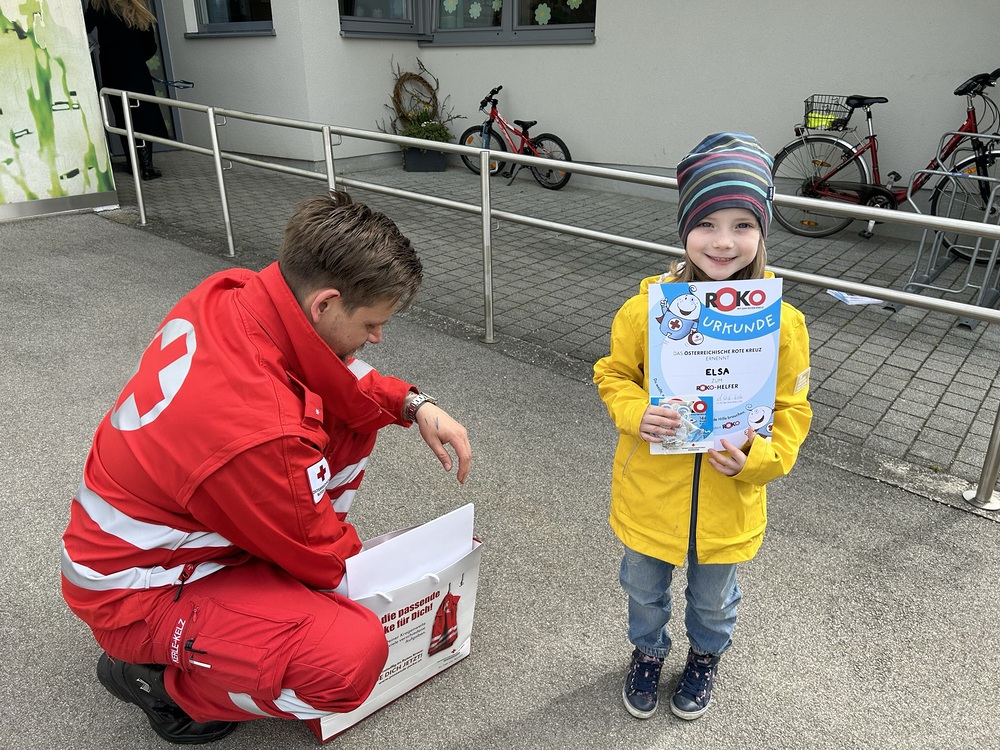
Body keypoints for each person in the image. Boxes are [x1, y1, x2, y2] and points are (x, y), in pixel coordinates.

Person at [60, 191, 472, 744]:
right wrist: (358, 577)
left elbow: (332, 374)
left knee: (353, 415)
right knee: (347, 659)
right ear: (325, 303)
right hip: (136, 591)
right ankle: (163, 687)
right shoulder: (260, 430)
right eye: (373, 323)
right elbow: (324, 554)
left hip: (152, 535)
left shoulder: (232, 291)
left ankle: (265, 591)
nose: (377, 338)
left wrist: (411, 404)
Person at [593, 133, 812, 722]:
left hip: (729, 497)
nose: (722, 241)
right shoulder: (647, 310)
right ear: (684, 227)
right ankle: (648, 651)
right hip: (650, 492)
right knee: (643, 589)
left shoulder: (784, 323)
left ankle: (705, 657)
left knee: (714, 601)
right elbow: (613, 374)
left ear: (763, 232)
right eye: (706, 223)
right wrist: (636, 413)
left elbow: (792, 411)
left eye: (743, 224)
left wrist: (758, 459)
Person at [85, 0, 169, 180]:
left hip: (113, 70)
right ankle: (147, 166)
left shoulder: (99, 5)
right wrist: (135, 56)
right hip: (137, 70)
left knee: (123, 117)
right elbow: (150, 46)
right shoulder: (137, 8)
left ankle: (133, 164)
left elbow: (84, 27)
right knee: (142, 117)